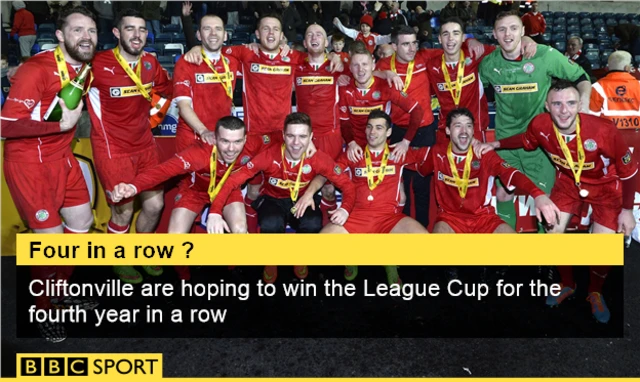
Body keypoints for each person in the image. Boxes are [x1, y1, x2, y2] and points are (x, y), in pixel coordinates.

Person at [477, 80, 638, 323]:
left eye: (571, 103)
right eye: (557, 104)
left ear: (579, 105)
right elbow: (526, 139)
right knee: (553, 235)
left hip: (606, 188)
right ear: (547, 106)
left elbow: (629, 172)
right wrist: (496, 143)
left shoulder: (603, 130)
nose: (564, 110)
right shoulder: (541, 125)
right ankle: (567, 284)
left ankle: (594, 292)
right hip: (567, 185)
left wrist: (627, 210)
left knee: (601, 248)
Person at [182, 13, 343, 234]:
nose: (270, 33)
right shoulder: (246, 53)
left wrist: (336, 56)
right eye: (265, 29)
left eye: (275, 29)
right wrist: (195, 49)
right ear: (257, 34)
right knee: (254, 190)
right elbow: (213, 49)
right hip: (256, 138)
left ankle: (314, 245)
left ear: (282, 35)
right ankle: (251, 246)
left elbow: (322, 59)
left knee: (301, 188)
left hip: (285, 140)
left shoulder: (295, 58)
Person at [1, 6, 99, 342]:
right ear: (59, 35)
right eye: (77, 30)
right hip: (30, 164)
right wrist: (60, 124)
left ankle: (58, 292)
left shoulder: (85, 68)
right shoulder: (36, 69)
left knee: (82, 227)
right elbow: (5, 125)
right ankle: (44, 307)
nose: (85, 37)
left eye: (91, 31)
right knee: (51, 243)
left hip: (63, 158)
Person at [208, 112, 357, 284]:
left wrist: (345, 209)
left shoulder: (318, 159)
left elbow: (348, 186)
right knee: (271, 222)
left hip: (302, 200)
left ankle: (300, 257)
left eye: (302, 136)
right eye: (291, 136)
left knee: (313, 222)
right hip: (273, 199)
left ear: (311, 137)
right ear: (284, 136)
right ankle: (271, 260)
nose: (296, 143)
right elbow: (232, 181)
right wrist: (215, 212)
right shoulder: (269, 155)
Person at [478, 10, 591, 231]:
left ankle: (543, 260)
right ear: (493, 34)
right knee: (502, 193)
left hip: (539, 143)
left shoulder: (545, 55)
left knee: (545, 198)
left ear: (523, 31)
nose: (508, 34)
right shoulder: (488, 65)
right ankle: (507, 254)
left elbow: (581, 78)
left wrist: (583, 103)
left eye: (513, 28)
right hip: (506, 141)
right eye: (502, 29)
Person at [86, 8, 172, 284]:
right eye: (130, 29)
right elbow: (60, 75)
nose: (137, 35)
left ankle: (141, 252)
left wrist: (154, 119)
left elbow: (166, 90)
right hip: (113, 150)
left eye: (142, 29)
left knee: (156, 204)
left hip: (145, 146)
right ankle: (120, 260)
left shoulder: (150, 63)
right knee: (122, 209)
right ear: (116, 33)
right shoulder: (97, 64)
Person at [111, 117, 252, 281]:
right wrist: (132, 186)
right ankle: (184, 277)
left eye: (237, 142)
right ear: (215, 137)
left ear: (245, 139)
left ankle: (232, 273)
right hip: (194, 192)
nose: (231, 149)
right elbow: (162, 171)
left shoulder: (253, 146)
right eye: (225, 141)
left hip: (227, 191)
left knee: (240, 231)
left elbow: (281, 140)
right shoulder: (198, 153)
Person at [320, 110, 431, 286]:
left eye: (379, 128)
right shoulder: (353, 154)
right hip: (356, 216)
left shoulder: (398, 153)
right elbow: (328, 172)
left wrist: (471, 143)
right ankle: (352, 256)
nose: (373, 132)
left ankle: (389, 260)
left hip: (389, 217)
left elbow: (436, 154)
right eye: (370, 127)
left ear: (388, 132)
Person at [427, 108, 559, 234]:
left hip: (484, 219)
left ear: (473, 131)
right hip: (450, 219)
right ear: (448, 130)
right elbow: (411, 159)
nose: (464, 131)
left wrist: (538, 194)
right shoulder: (436, 153)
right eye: (458, 126)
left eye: (468, 126)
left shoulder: (485, 154)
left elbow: (512, 174)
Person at [340, 41, 425, 165]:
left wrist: (406, 142)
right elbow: (345, 122)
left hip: (381, 149)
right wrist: (351, 143)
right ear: (351, 68)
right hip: (355, 150)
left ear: (373, 65)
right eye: (356, 65)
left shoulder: (386, 86)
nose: (361, 69)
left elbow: (417, 110)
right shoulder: (344, 89)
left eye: (365, 64)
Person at [294, 24, 346, 225]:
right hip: (301, 136)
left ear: (327, 42)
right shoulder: (296, 65)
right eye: (310, 35)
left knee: (329, 188)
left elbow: (368, 69)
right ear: (305, 42)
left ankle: (329, 232)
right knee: (299, 182)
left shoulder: (339, 66)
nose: (314, 38)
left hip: (329, 136)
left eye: (320, 35)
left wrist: (388, 74)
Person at [173, 14, 240, 152]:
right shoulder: (186, 62)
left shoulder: (233, 62)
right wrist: (203, 131)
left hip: (223, 136)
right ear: (199, 35)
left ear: (225, 35)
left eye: (218, 29)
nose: (213, 33)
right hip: (192, 137)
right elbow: (183, 105)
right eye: (207, 29)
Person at [589, 50, 640, 130]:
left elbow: (592, 117)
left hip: (607, 134)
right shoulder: (639, 85)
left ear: (608, 68)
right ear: (627, 68)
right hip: (636, 134)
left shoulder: (597, 87)